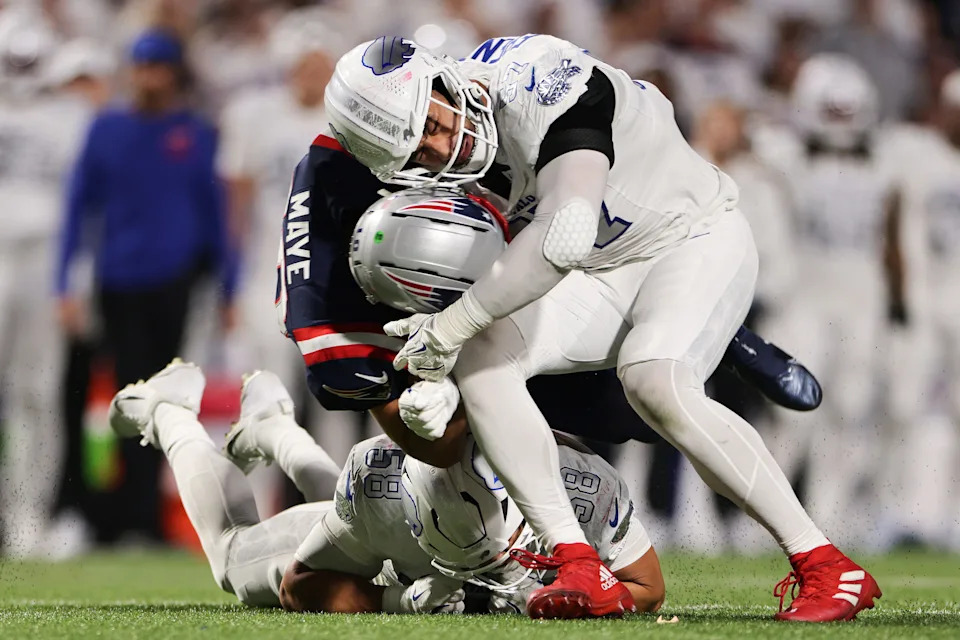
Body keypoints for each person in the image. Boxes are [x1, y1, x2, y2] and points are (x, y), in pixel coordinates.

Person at [324, 35, 880, 621]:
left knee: (653, 379)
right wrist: (438, 375)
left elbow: (565, 232)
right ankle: (577, 562)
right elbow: (494, 262)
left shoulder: (537, 79)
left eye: (434, 123)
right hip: (602, 270)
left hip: (689, 237)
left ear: (441, 80)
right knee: (483, 357)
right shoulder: (441, 160)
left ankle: (825, 565)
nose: (442, 148)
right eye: (419, 153)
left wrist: (452, 324)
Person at [106, 360, 664, 614]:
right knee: (234, 560)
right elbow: (299, 586)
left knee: (346, 519)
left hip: (390, 536)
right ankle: (169, 414)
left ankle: (273, 428)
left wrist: (587, 602)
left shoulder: (583, 488)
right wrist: (397, 599)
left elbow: (648, 586)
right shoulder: (379, 487)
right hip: (387, 554)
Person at [55, 28, 237, 544]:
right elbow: (77, 208)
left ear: (173, 72)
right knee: (128, 394)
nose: (149, 77)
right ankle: (121, 514)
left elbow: (213, 214)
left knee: (165, 399)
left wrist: (227, 284)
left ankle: (141, 514)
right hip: (117, 279)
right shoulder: (106, 129)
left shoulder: (195, 132)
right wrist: (64, 281)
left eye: (158, 66)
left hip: (173, 281)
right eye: (142, 66)